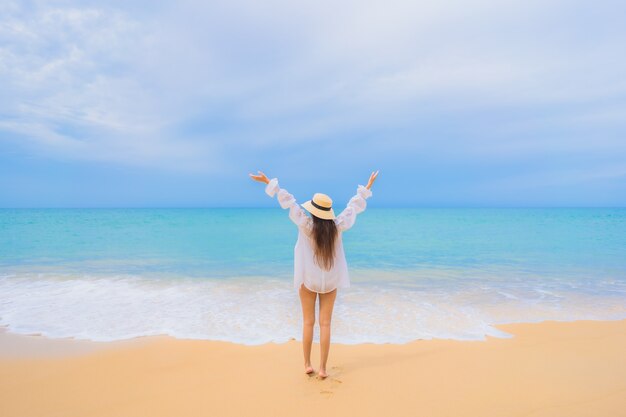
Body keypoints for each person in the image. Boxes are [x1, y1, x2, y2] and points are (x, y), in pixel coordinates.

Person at [249, 170, 379, 379]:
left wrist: (268, 183)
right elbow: (352, 208)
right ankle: (323, 369)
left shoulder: (306, 225)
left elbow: (289, 203)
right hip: (330, 282)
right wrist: (367, 187)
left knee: (308, 322)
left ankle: (307, 364)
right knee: (325, 324)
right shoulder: (336, 227)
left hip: (308, 281)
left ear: (312, 211)